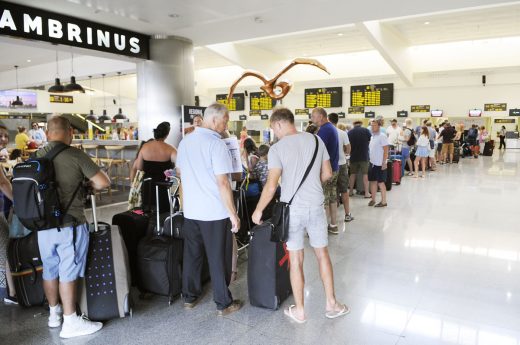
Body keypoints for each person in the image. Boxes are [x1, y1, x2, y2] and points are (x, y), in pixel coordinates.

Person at [252, 107, 349, 323]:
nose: (274, 133)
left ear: (278, 124)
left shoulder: (277, 149)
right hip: (315, 205)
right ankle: (332, 304)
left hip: (291, 209)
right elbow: (327, 173)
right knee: (322, 254)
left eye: (273, 128)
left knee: (296, 259)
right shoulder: (316, 141)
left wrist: (258, 210)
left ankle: (300, 311)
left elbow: (270, 185)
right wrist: (312, 185)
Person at [34, 116, 110, 338]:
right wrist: (87, 184)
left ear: (47, 134)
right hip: (70, 225)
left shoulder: (36, 156)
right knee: (68, 271)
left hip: (43, 225)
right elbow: (104, 182)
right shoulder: (75, 155)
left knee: (50, 270)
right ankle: (70, 322)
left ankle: (54, 314)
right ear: (69, 133)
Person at [176, 103, 242, 316]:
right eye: (225, 120)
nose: (226, 125)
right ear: (214, 120)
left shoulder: (185, 142)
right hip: (214, 212)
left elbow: (180, 175)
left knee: (192, 255)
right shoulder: (217, 145)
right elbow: (223, 183)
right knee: (217, 257)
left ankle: (189, 297)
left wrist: (185, 206)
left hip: (192, 211)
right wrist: (233, 213)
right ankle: (224, 303)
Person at [130, 121, 177, 213]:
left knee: (148, 212)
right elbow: (180, 168)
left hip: (148, 187)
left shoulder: (145, 147)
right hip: (164, 188)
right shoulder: (171, 149)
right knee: (164, 213)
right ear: (167, 134)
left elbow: (139, 167)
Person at [311, 107, 339, 234]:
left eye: (313, 116)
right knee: (332, 198)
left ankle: (322, 228)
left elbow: (317, 152)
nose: (312, 119)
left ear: (321, 116)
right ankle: (333, 225)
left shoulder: (324, 130)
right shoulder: (331, 127)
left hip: (326, 171)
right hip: (334, 169)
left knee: (325, 199)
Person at [328, 112, 353, 227]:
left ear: (328, 120)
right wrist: (344, 154)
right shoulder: (343, 133)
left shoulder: (325, 132)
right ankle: (347, 214)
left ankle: (332, 219)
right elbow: (348, 148)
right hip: (342, 164)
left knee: (331, 191)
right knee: (344, 190)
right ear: (337, 121)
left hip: (329, 166)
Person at [368, 117, 389, 207]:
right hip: (372, 163)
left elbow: (386, 150)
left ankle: (384, 202)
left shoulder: (382, 136)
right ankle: (373, 199)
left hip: (379, 163)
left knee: (381, 182)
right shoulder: (372, 136)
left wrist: (384, 162)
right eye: (371, 125)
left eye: (374, 125)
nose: (372, 127)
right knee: (372, 181)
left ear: (379, 126)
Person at [347, 121, 371, 198]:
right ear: (361, 124)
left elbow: (348, 144)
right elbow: (370, 141)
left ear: (354, 125)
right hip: (364, 156)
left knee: (352, 174)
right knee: (365, 174)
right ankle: (367, 193)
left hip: (353, 156)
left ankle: (350, 191)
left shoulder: (350, 132)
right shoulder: (366, 130)